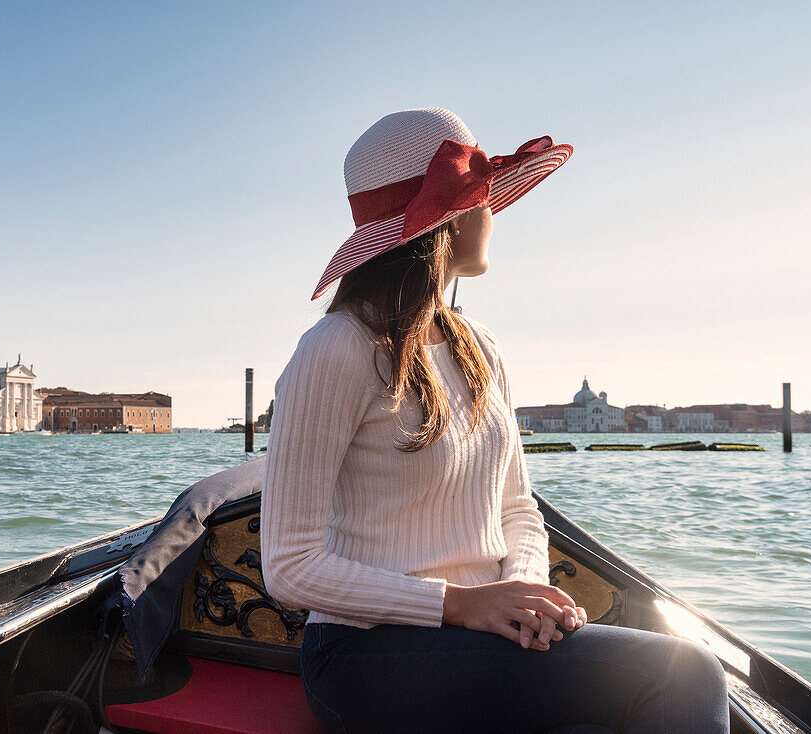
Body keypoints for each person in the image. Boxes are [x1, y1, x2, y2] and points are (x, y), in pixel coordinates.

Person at [260, 108, 729, 733]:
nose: (494, 214)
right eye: (483, 197)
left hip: (481, 647)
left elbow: (518, 510)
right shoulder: (335, 350)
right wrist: (460, 605)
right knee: (687, 669)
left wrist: (527, 598)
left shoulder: (481, 347)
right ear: (448, 219)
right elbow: (289, 566)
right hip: (364, 655)